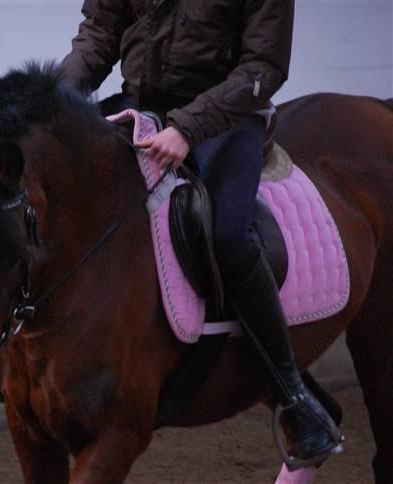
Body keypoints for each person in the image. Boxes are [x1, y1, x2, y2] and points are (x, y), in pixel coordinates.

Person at [59, 0, 342, 468]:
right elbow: (98, 35)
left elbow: (264, 65)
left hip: (226, 118)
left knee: (229, 236)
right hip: (140, 107)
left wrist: (188, 128)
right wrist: (51, 102)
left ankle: (293, 393)